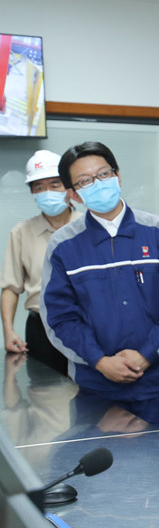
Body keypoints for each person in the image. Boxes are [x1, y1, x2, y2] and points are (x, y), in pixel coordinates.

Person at [41, 141, 159, 441]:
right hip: (98, 389)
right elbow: (60, 318)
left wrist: (147, 355)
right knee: (103, 468)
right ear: (73, 194)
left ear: (118, 176)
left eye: (103, 174)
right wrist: (101, 361)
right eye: (85, 181)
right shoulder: (63, 246)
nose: (98, 184)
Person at [1, 150, 81, 375]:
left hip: (86, 324)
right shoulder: (21, 232)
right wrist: (8, 330)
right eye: (39, 187)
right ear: (32, 193)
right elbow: (11, 287)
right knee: (44, 391)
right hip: (41, 328)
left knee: (90, 390)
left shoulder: (88, 227)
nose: (47, 192)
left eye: (55, 185)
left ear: (69, 188)